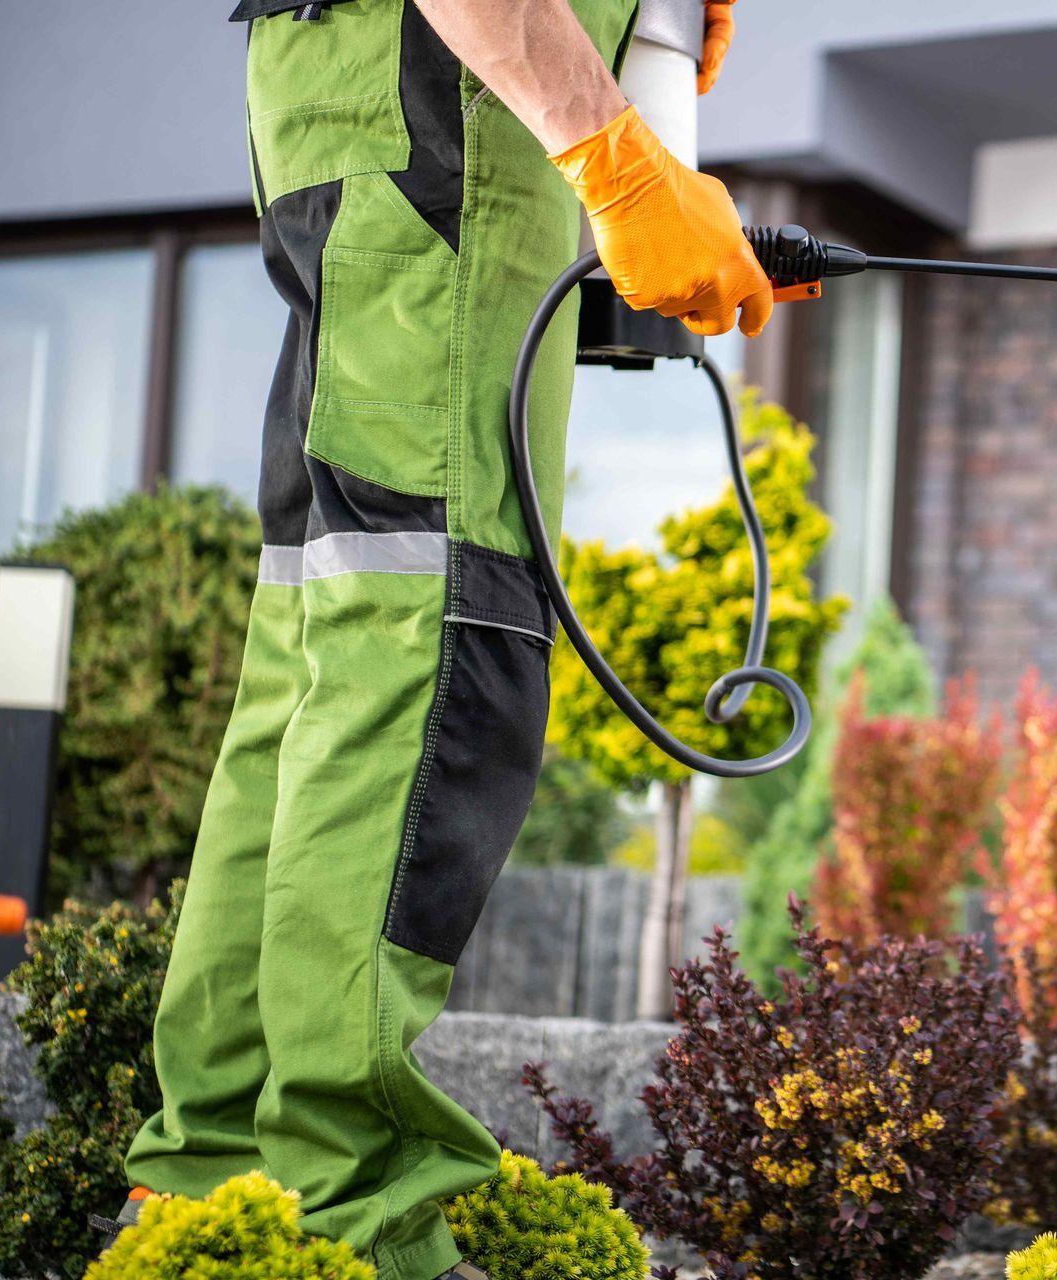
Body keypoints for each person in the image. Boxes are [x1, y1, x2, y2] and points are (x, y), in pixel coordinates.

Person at [108, 1, 771, 1276]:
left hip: (371, 102)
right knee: (430, 633)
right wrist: (621, 159)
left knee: (331, 642)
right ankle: (346, 1211)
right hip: (451, 110)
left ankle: (213, 1193)